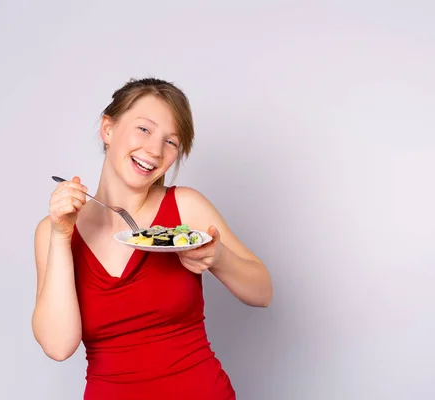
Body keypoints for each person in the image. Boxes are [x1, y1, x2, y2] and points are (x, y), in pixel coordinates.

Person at [31, 77, 273, 399]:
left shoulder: (185, 207)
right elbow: (58, 346)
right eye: (144, 129)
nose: (155, 150)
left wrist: (219, 258)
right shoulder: (53, 230)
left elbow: (263, 291)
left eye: (171, 142)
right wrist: (62, 236)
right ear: (108, 129)